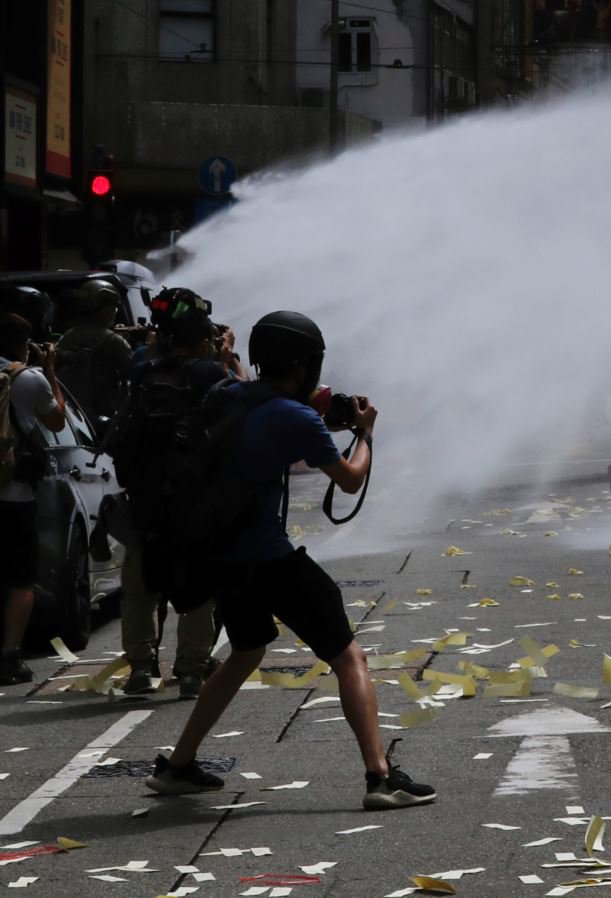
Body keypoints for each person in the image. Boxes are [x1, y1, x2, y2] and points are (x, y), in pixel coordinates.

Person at [145, 311, 435, 811]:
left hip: (222, 554)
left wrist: (322, 409)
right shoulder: (294, 418)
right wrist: (364, 433)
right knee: (348, 656)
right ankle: (380, 777)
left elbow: (264, 411)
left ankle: (179, 765)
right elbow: (348, 479)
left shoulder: (226, 395)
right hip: (268, 556)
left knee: (246, 651)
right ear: (306, 363)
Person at [111, 292, 229, 698]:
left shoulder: (143, 371)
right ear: (202, 338)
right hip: (194, 500)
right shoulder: (210, 374)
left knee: (140, 589)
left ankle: (141, 669)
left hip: (144, 499)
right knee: (197, 590)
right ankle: (192, 671)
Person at [0, 314, 68, 686]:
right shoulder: (28, 378)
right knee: (20, 578)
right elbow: (57, 421)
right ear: (21, 344)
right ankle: (10, 656)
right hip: (13, 493)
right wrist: (51, 371)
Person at [55, 279, 133, 428]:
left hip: (70, 412)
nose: (114, 313)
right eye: (112, 308)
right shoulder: (114, 341)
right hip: (100, 417)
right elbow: (136, 373)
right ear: (102, 309)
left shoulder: (69, 335)